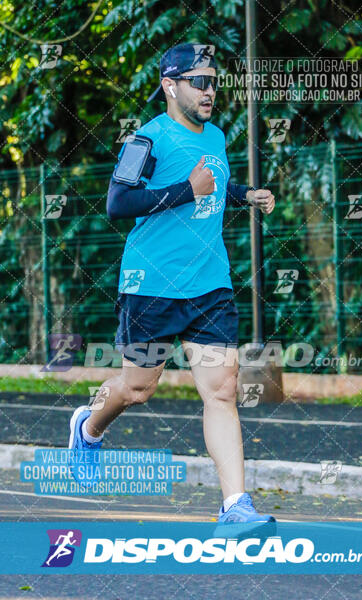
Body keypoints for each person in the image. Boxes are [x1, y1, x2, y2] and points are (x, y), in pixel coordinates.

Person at [69, 42, 276, 525]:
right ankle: (89, 426)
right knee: (138, 388)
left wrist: (243, 194)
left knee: (223, 390)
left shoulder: (218, 136)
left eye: (214, 83)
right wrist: (188, 190)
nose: (210, 92)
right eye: (199, 82)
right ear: (170, 85)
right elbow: (118, 204)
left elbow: (215, 183)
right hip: (151, 287)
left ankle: (235, 507)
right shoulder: (146, 140)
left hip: (209, 285)